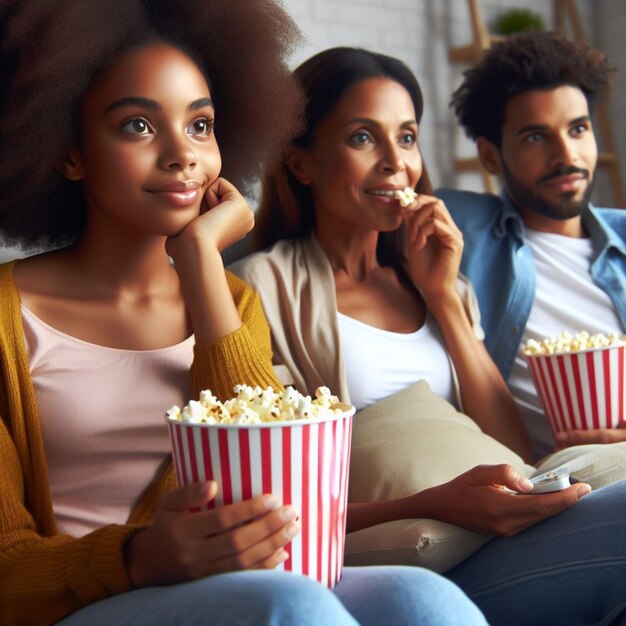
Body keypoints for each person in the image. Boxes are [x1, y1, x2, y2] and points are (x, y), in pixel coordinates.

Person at [0, 4, 490, 626]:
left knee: (425, 600)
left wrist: (203, 260)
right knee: (292, 603)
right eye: (137, 126)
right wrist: (136, 558)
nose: (183, 154)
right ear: (68, 152)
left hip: (239, 586)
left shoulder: (233, 302)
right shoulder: (6, 318)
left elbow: (276, 484)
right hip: (88, 602)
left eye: (200, 124)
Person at [230, 46, 626, 625]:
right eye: (363, 138)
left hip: (504, 531)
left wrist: (443, 299)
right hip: (419, 558)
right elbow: (272, 493)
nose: (396, 162)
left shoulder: (440, 284)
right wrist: (436, 504)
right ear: (301, 162)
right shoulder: (260, 287)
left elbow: (511, 446)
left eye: (407, 137)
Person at [437, 31, 626, 462]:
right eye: (536, 138)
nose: (567, 155)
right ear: (489, 157)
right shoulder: (464, 227)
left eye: (578, 129)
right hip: (556, 488)